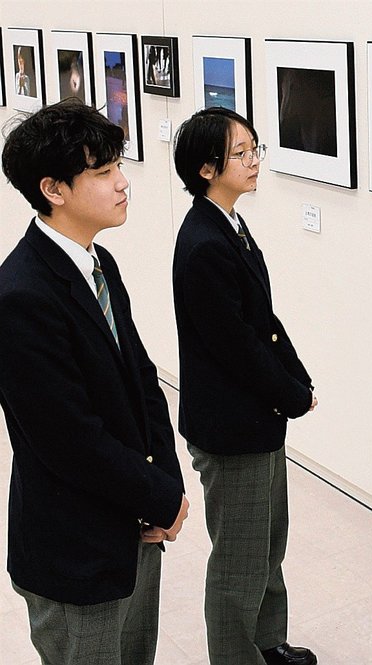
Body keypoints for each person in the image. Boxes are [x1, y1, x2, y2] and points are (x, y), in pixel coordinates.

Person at [0, 99, 189, 664]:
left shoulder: (100, 263)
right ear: (54, 189)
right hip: (74, 545)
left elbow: (143, 381)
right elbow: (68, 439)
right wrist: (156, 495)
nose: (123, 183)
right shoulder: (21, 296)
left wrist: (166, 488)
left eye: (118, 167)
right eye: (104, 172)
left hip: (133, 523)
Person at [171, 107, 318, 665]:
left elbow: (264, 321)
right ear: (207, 168)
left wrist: (296, 381)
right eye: (242, 153)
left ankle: (267, 643)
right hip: (233, 427)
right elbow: (237, 348)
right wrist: (290, 393)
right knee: (240, 558)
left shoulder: (228, 223)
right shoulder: (203, 242)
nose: (254, 162)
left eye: (255, 149)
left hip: (257, 418)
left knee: (268, 542)